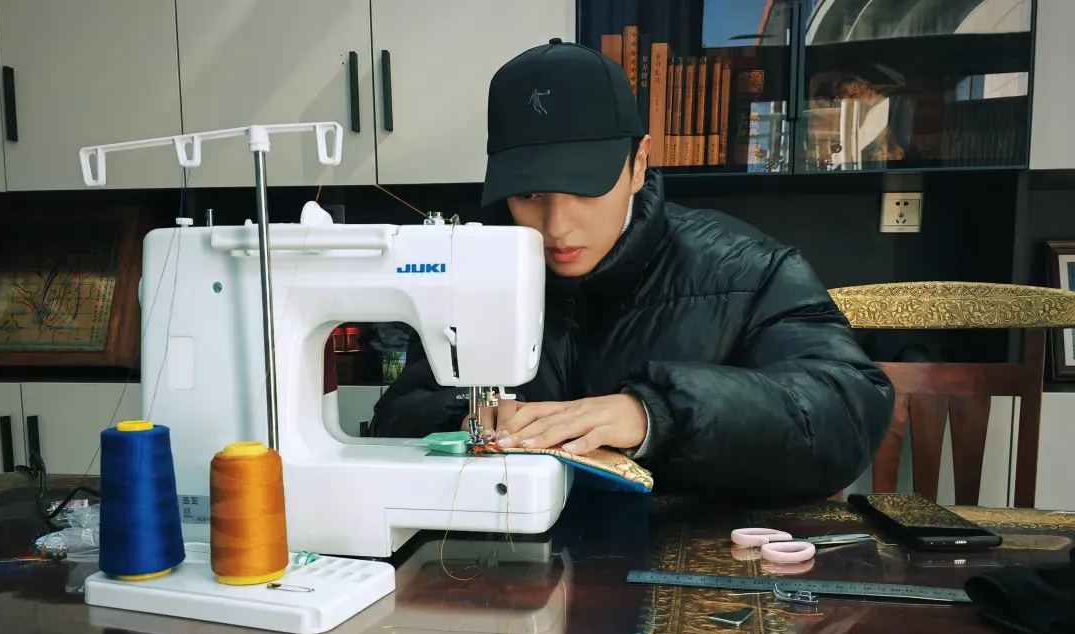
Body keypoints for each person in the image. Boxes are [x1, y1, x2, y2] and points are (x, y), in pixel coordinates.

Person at [370, 39, 894, 502]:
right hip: (517, 562)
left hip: (691, 558)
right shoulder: (476, 269)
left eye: (585, 189)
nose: (556, 227)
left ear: (638, 163)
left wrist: (656, 415)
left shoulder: (749, 270)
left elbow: (847, 412)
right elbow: (397, 412)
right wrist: (463, 418)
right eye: (528, 195)